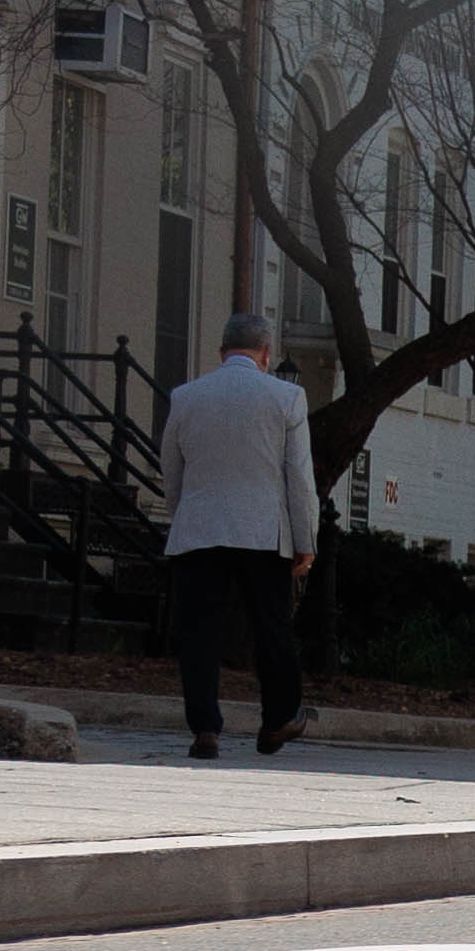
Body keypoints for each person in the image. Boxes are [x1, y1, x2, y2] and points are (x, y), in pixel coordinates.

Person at [152, 316, 317, 761]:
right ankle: (279, 717)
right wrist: (306, 541)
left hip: (200, 529)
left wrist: (183, 515)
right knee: (271, 627)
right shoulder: (287, 397)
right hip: (263, 531)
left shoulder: (186, 397)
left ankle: (205, 728)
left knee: (199, 632)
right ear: (266, 352)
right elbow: (299, 478)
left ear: (222, 351)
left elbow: (172, 468)